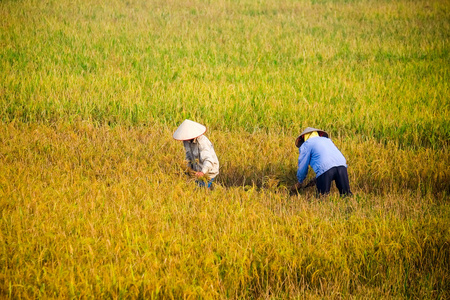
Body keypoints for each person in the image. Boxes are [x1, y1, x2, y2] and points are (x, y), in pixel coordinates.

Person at [291, 127, 352, 196]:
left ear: (304, 138)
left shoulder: (307, 144)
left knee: (322, 197)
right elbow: (331, 162)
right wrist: (318, 178)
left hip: (325, 169)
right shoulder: (327, 140)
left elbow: (303, 165)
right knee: (346, 195)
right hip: (342, 166)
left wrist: (300, 181)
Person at [173, 119, 219, 188]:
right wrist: (188, 167)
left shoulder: (202, 143)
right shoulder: (186, 141)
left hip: (208, 172)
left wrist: (202, 172)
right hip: (196, 171)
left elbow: (208, 160)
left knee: (201, 190)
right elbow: (188, 154)